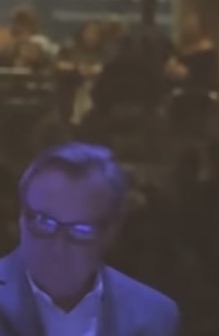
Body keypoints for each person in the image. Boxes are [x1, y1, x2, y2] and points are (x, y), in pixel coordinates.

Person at [0, 142, 179, 336]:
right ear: (20, 218)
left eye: (80, 230)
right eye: (43, 222)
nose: (58, 248)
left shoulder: (155, 316)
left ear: (111, 233)